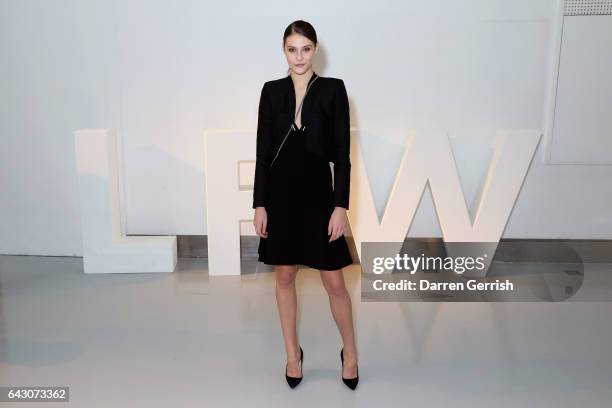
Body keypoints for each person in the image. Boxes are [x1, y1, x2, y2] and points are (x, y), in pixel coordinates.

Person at [252, 20, 359, 390]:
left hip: (318, 197)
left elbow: (343, 155)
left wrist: (340, 206)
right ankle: (292, 353)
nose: (299, 56)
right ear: (284, 51)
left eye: (306, 49)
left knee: (334, 281)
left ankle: (350, 352)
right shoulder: (271, 91)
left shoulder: (333, 90)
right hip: (280, 199)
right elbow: (262, 152)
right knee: (284, 276)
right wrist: (260, 203)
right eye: (291, 49)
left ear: (316, 50)